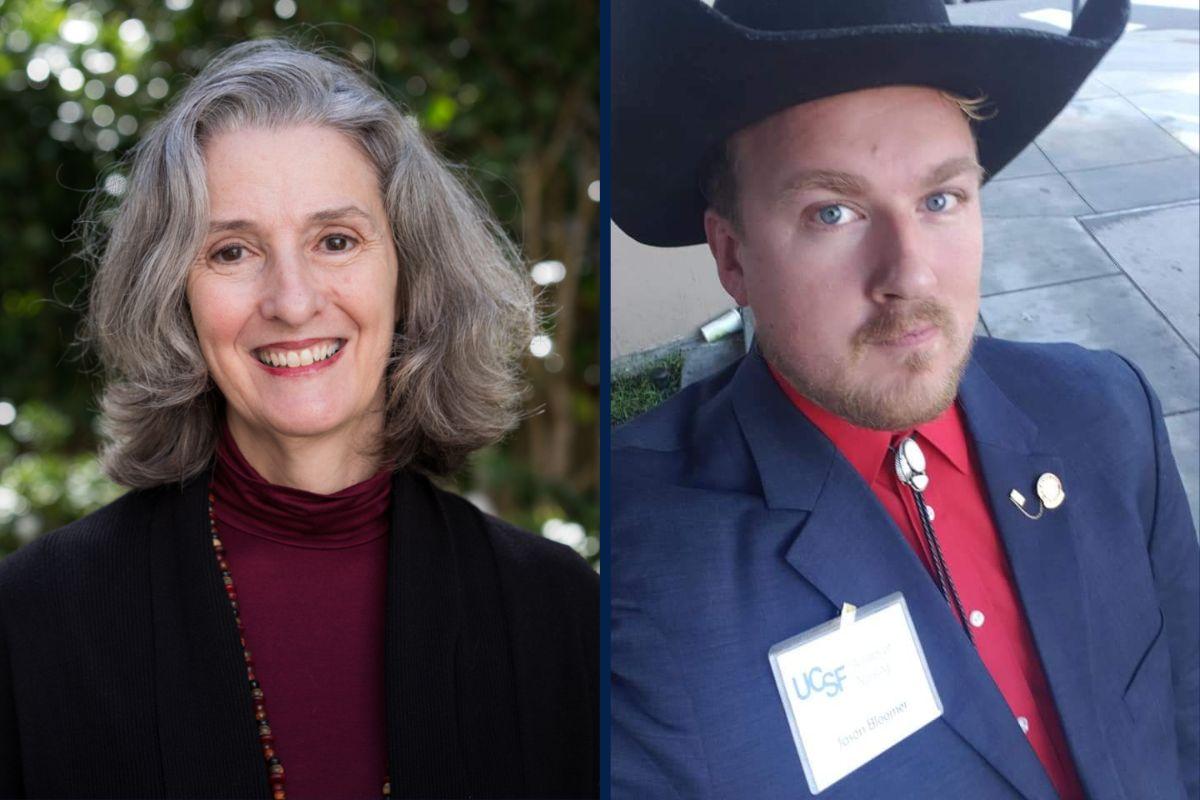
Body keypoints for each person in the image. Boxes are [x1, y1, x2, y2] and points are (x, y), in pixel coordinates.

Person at [611, 1, 1198, 798]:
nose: (910, 276)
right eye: (833, 212)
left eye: (941, 199)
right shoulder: (642, 570)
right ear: (733, 255)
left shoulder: (1106, 413)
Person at [0, 39, 597, 799]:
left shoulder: (558, 614)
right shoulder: (35, 622)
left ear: (409, 272)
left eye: (336, 241)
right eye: (232, 251)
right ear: (172, 294)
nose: (291, 299)